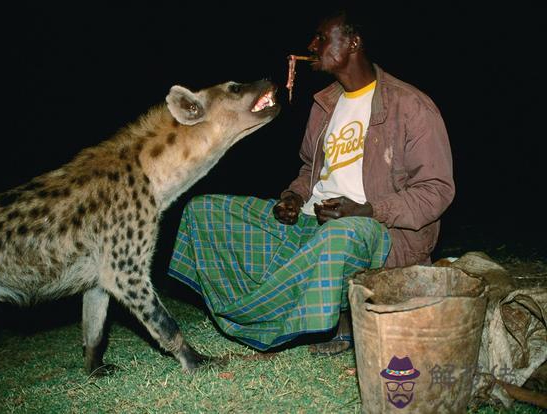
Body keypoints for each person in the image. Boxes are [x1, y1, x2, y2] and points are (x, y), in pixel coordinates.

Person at [167, 8, 454, 356]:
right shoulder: (325, 104)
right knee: (205, 211)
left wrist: (368, 210)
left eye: (322, 37)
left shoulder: (410, 106)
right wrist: (293, 195)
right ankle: (251, 306)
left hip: (376, 232)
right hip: (313, 221)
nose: (311, 44)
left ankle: (313, 319)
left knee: (341, 233)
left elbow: (437, 190)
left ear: (353, 42)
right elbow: (309, 169)